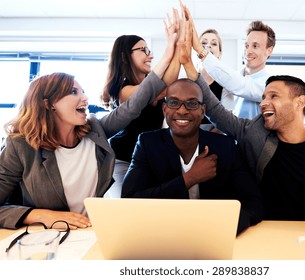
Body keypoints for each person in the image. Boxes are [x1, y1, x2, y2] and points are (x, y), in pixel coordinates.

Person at [176, 7, 305, 231]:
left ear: (299, 103)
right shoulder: (254, 134)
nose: (264, 102)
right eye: (263, 97)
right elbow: (217, 111)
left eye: (273, 96)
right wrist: (188, 63)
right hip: (270, 231)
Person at [0, 21, 178, 230]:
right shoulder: (21, 146)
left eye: (83, 91)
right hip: (42, 239)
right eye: (73, 92)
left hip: (89, 234)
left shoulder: (95, 130)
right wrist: (40, 215)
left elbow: (132, 107)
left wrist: (173, 48)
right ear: (48, 104)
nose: (84, 97)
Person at [121, 78, 264, 235]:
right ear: (164, 109)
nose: (182, 110)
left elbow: (253, 203)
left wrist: (222, 230)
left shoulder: (225, 146)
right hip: (163, 234)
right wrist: (189, 178)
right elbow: (130, 200)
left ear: (203, 111)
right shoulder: (148, 144)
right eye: (174, 103)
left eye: (192, 103)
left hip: (214, 236)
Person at [100, 10, 181, 198]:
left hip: (149, 159)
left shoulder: (153, 88)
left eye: (148, 50)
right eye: (143, 50)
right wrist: (171, 47)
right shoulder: (123, 90)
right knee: (125, 207)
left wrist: (178, 44)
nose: (150, 56)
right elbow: (152, 89)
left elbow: (167, 85)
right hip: (123, 160)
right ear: (124, 57)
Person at [191, 12, 276, 119]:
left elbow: (241, 85)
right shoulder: (232, 80)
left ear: (269, 50)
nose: (248, 51)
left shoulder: (269, 85)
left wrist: (200, 50)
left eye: (255, 46)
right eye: (246, 46)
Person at [197, 28, 233, 132]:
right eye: (204, 43)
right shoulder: (189, 82)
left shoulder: (226, 84)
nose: (208, 46)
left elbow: (227, 120)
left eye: (214, 44)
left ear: (219, 53)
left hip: (216, 137)